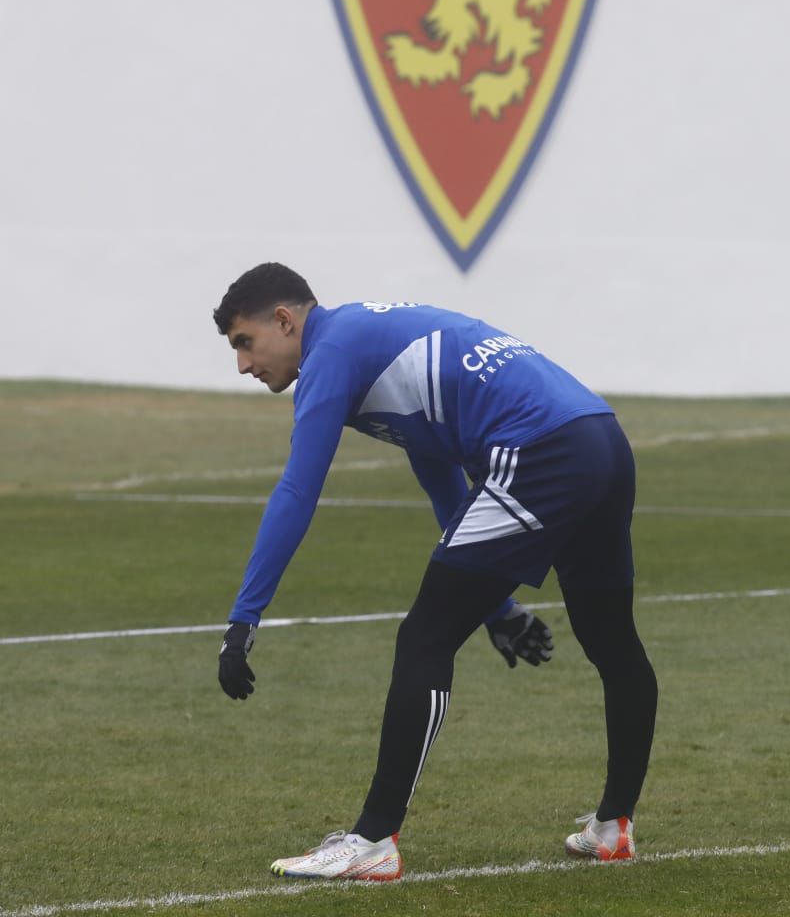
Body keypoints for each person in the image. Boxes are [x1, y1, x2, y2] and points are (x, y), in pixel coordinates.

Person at [212, 263, 657, 880]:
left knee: (424, 636)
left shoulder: (331, 353)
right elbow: (442, 476)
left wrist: (243, 617)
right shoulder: (372, 337)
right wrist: (496, 609)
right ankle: (613, 828)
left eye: (244, 343)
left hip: (540, 452)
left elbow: (298, 490)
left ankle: (372, 842)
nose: (242, 365)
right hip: (601, 438)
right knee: (611, 638)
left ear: (285, 320)